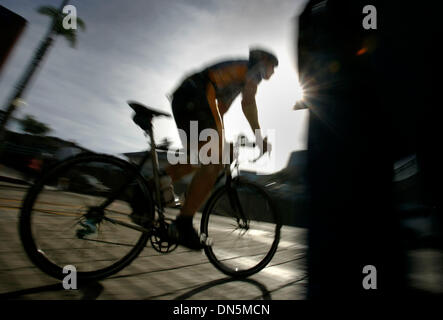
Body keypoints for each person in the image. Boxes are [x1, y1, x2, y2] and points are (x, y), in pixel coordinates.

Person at [163, 47, 278, 250]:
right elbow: (248, 103)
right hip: (196, 93)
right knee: (213, 160)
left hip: (186, 97)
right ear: (263, 61)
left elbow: (219, 111)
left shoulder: (236, 78)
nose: (273, 72)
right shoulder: (254, 70)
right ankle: (183, 224)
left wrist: (224, 143)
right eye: (273, 66)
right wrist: (259, 138)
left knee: (204, 157)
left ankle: (153, 184)